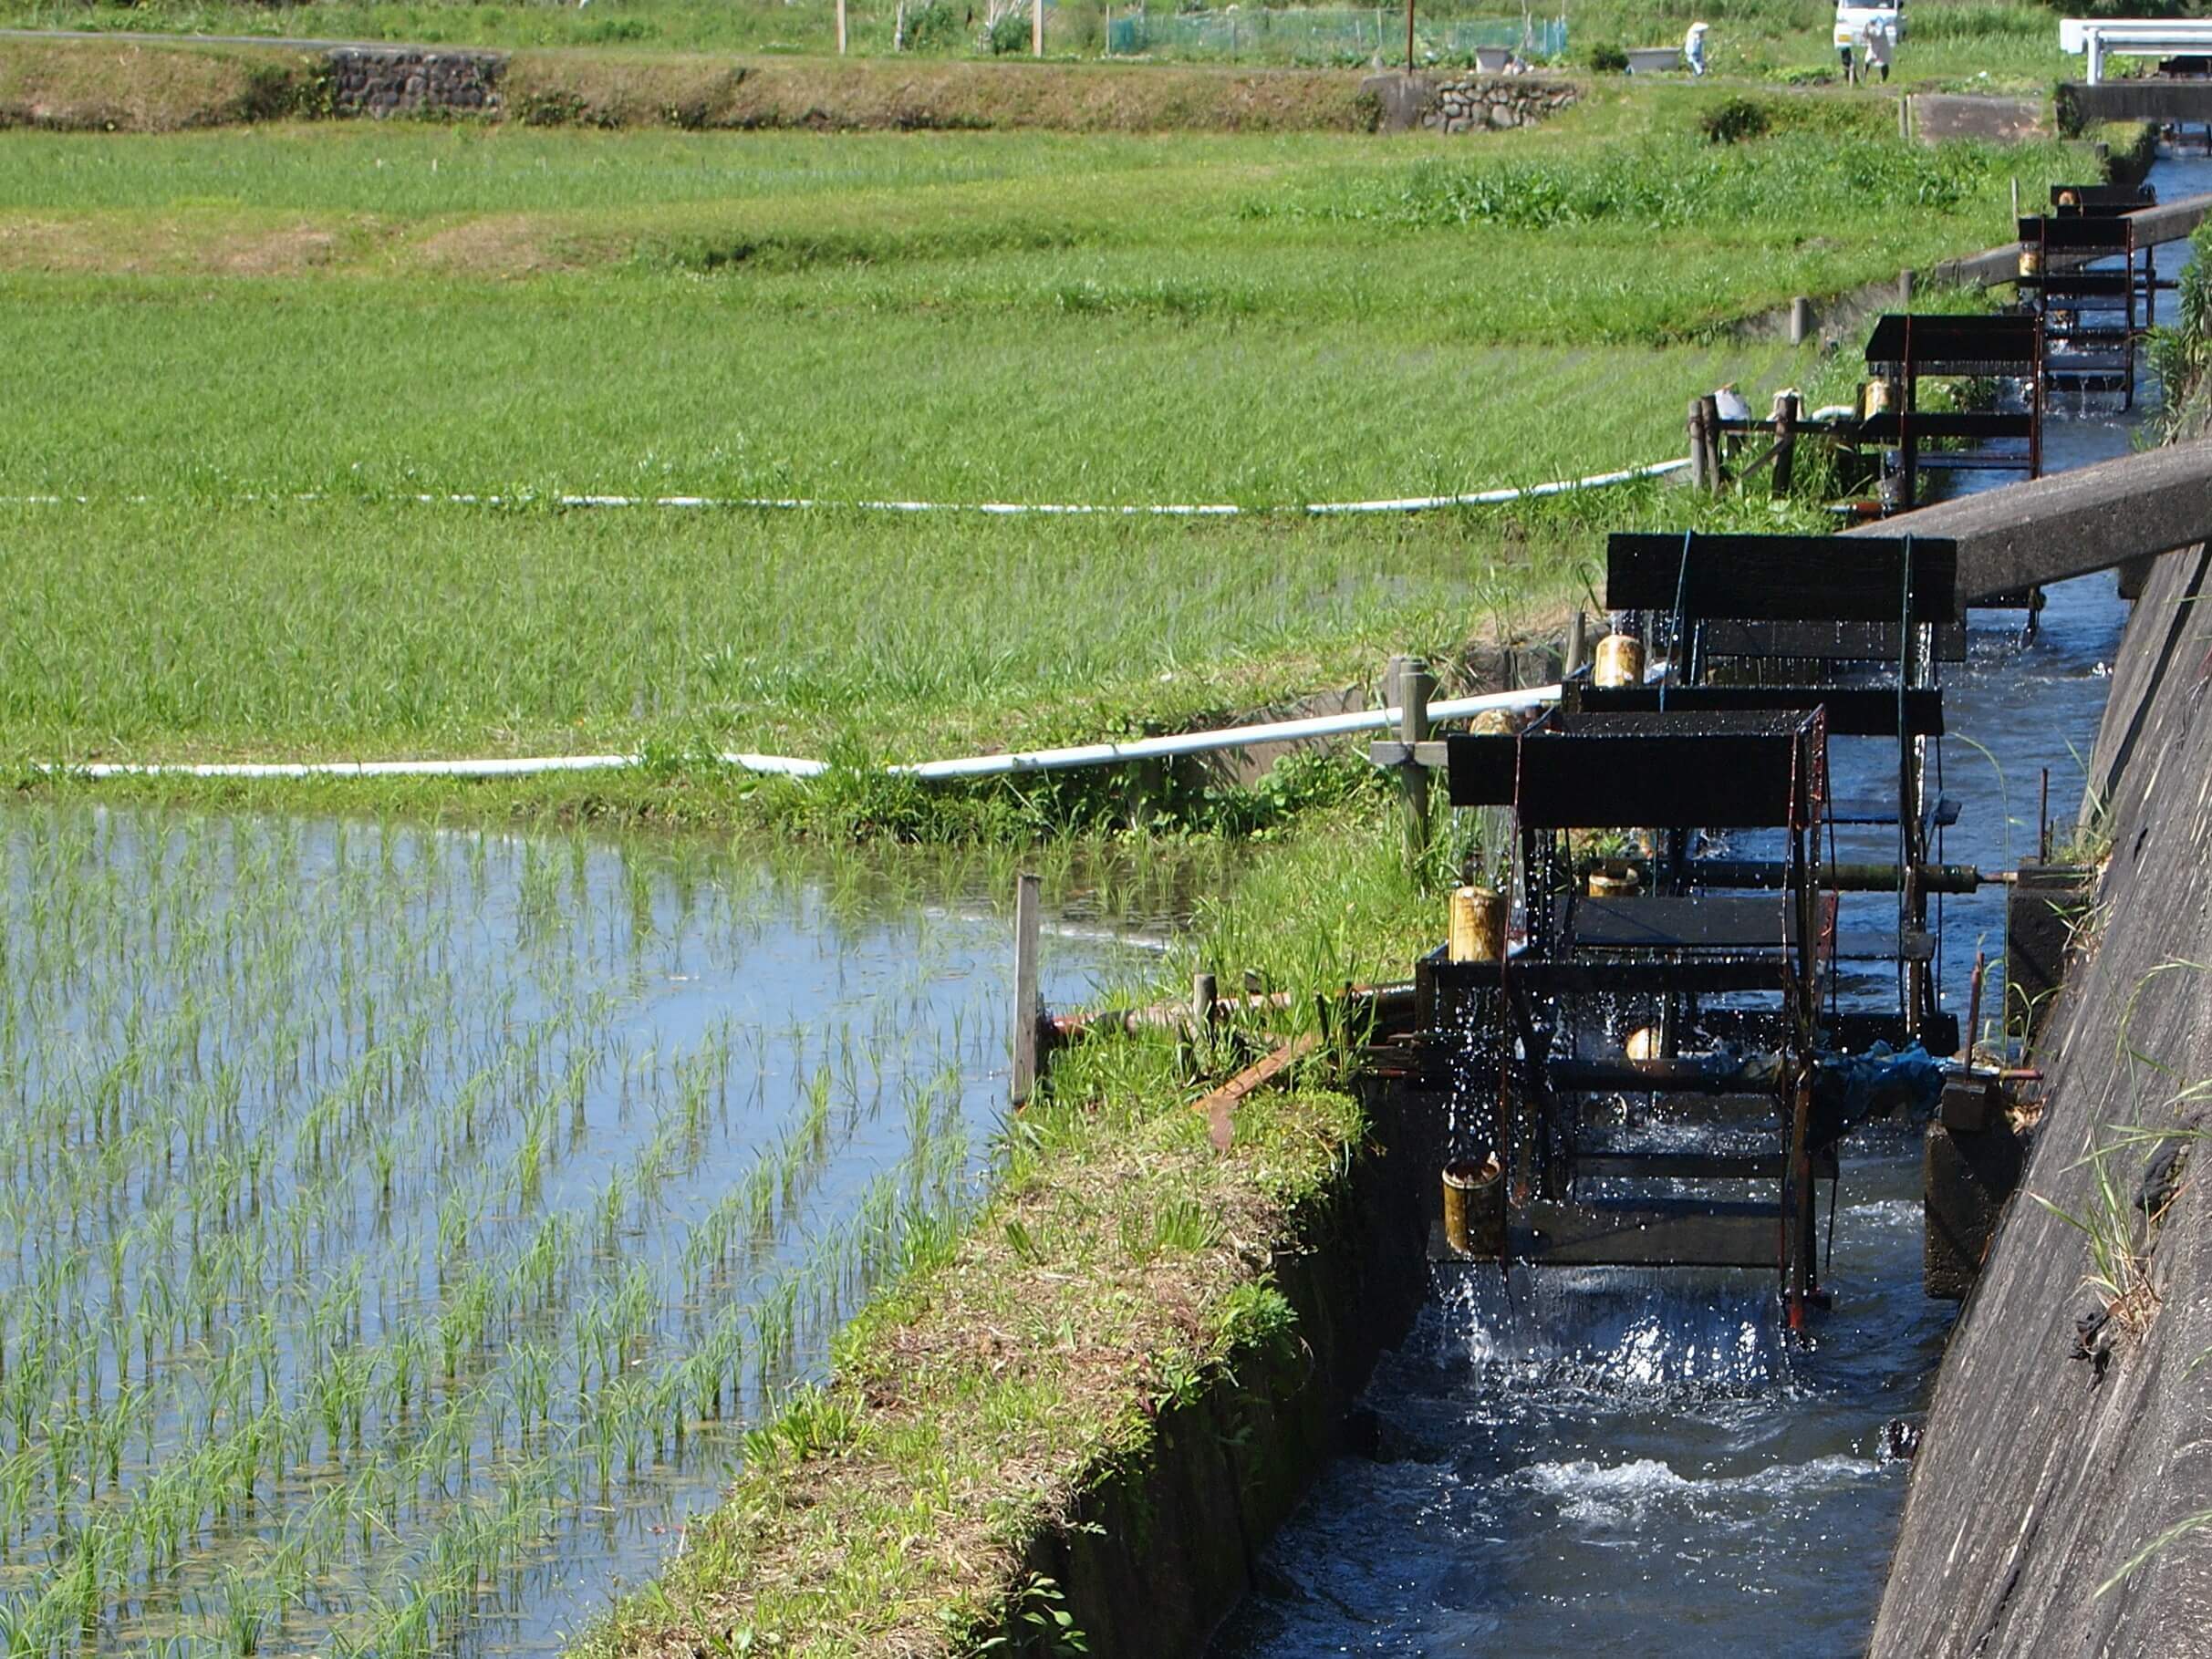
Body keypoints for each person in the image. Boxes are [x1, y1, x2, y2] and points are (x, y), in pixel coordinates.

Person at [1865, 14, 1893, 82]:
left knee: (1883, 62)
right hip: (1873, 46)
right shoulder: (1868, 25)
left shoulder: (1880, 25)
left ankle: (1884, 80)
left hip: (1882, 46)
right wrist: (1868, 40)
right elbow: (1866, 35)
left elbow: (1878, 34)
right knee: (1867, 60)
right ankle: (1864, 77)